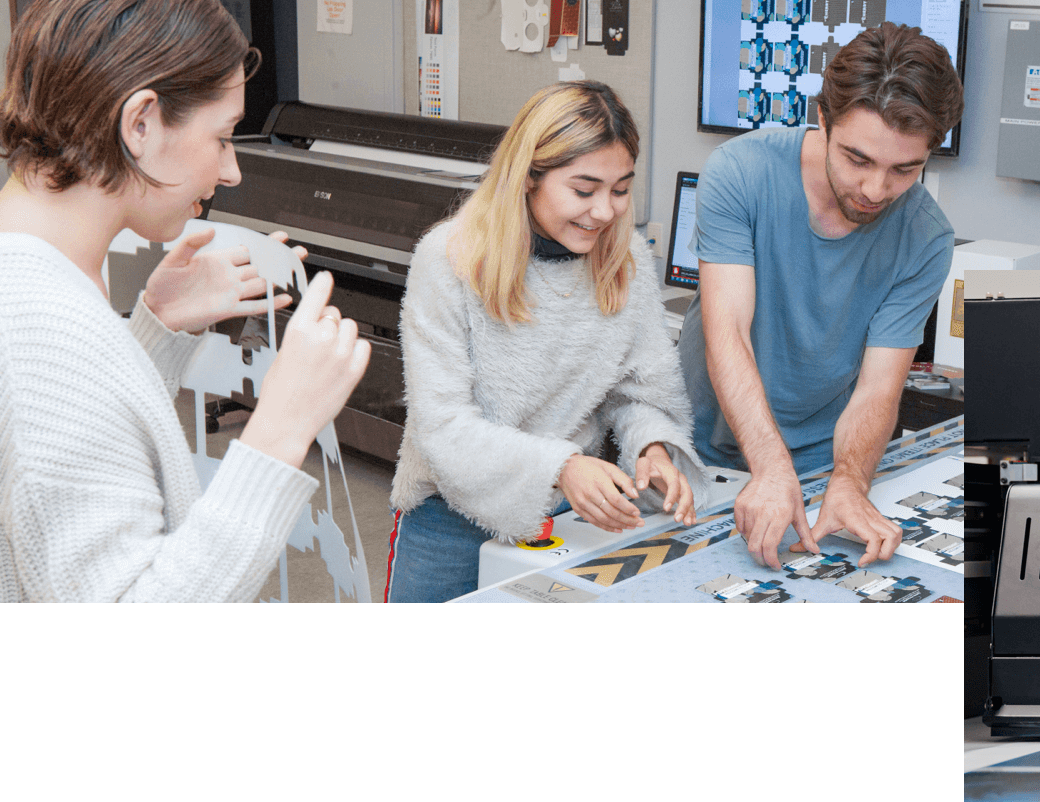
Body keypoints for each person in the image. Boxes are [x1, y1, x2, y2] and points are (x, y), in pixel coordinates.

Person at [0, 0, 369, 601]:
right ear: (140, 123)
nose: (231, 172)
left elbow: (66, 464)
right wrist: (280, 427)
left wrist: (156, 331)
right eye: (222, 138)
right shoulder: (46, 333)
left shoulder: (36, 282)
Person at [387, 80, 706, 603]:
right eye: (583, 190)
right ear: (528, 178)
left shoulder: (623, 264)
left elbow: (638, 393)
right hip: (447, 522)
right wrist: (562, 466)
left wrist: (652, 447)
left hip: (565, 515)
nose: (604, 212)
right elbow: (443, 427)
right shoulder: (449, 258)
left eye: (621, 189)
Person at [679, 21, 963, 571]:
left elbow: (879, 388)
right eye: (859, 159)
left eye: (905, 169)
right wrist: (768, 466)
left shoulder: (927, 236)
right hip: (700, 456)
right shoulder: (739, 173)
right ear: (824, 120)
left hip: (819, 467)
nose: (876, 190)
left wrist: (850, 482)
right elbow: (728, 333)